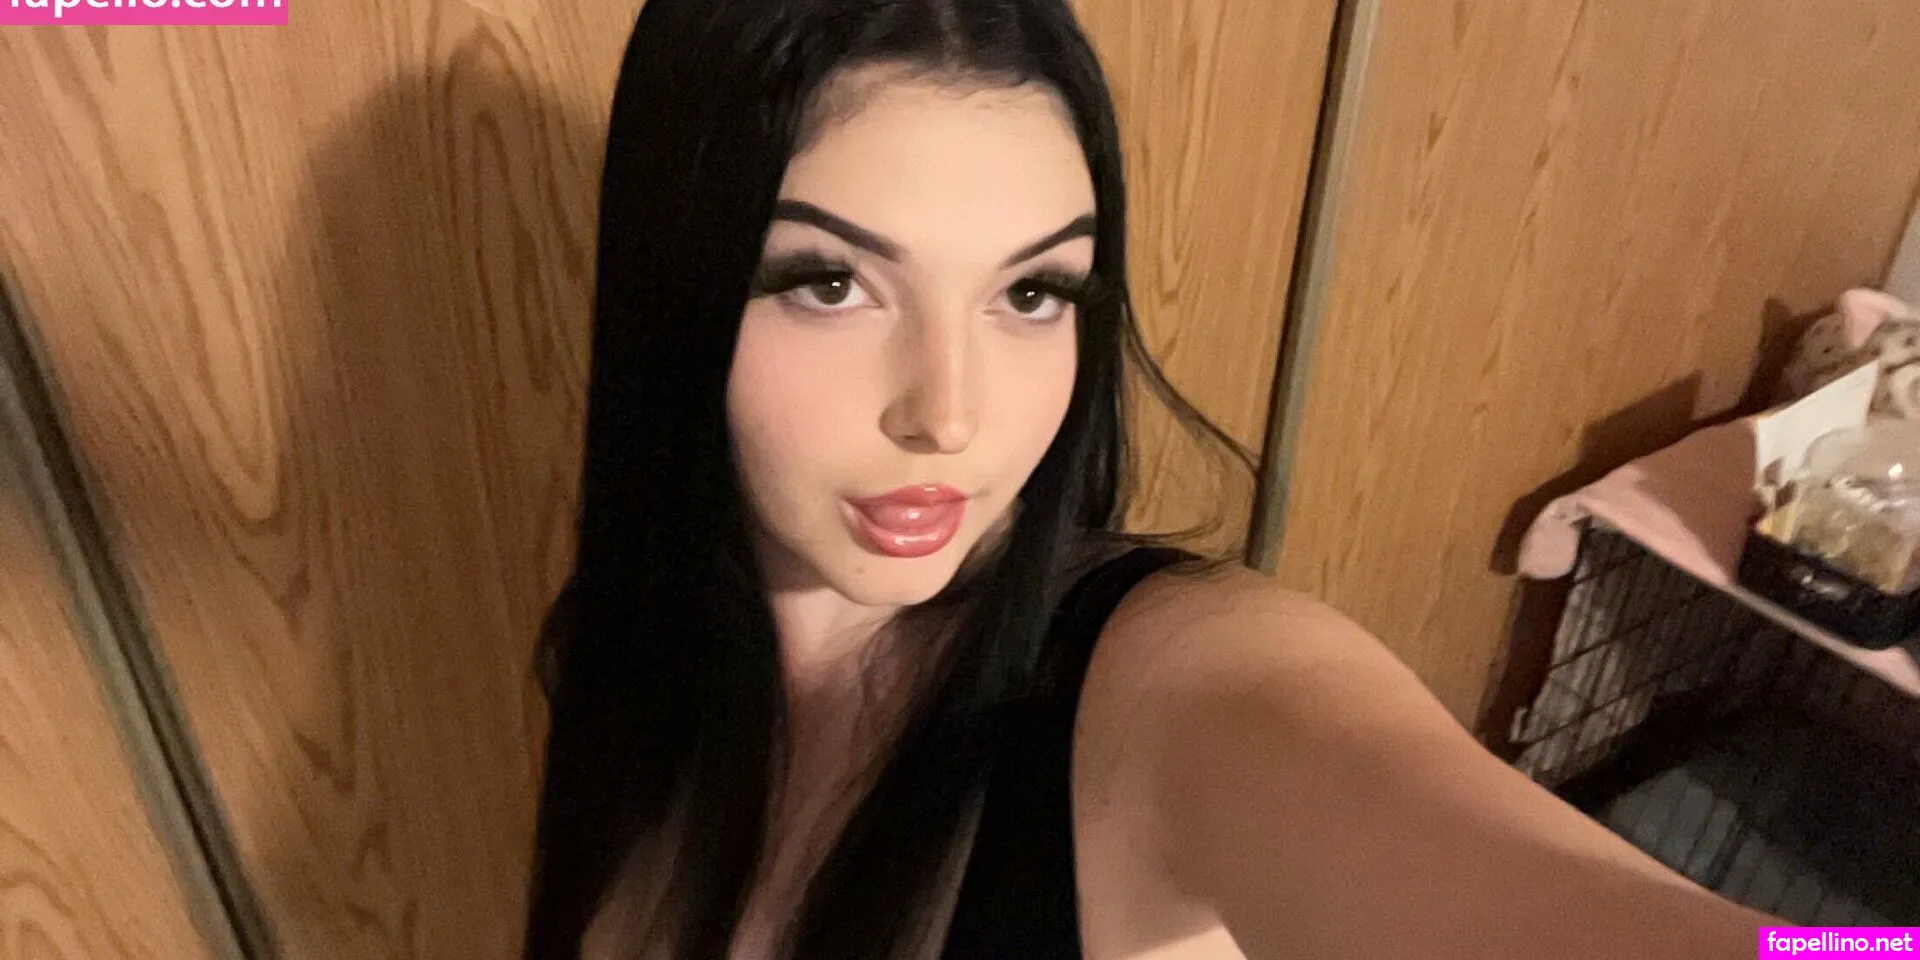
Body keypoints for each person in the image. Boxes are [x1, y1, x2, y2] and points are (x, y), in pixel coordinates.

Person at [522, 1, 1775, 957]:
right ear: (677, 289)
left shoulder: (1159, 692)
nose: (949, 414)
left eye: (1032, 292)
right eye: (832, 283)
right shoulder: (642, 654)